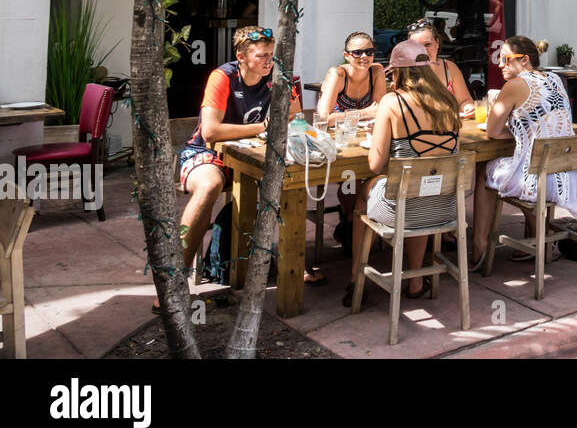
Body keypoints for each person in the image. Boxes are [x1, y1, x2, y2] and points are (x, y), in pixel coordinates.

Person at [166, 26, 309, 311]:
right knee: (209, 188)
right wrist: (264, 127)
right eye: (261, 55)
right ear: (241, 57)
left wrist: (286, 117)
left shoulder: (278, 73)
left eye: (271, 54)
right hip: (207, 154)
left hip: (252, 156)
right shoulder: (223, 76)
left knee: (291, 182)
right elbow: (210, 131)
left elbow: (295, 115)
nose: (268, 61)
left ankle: (288, 264)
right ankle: (174, 279)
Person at [344, 39, 462, 305]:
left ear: (398, 72)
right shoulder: (449, 103)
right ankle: (416, 280)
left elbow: (375, 164)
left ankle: (355, 278)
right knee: (419, 190)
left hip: (402, 212)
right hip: (445, 209)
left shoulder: (392, 101)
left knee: (367, 189)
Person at [470, 36, 577, 269]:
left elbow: (492, 131)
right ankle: (538, 244)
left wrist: (518, 135)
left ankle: (479, 247)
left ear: (525, 60)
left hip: (538, 178)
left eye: (506, 59)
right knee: (531, 164)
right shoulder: (555, 78)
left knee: (485, 170)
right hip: (567, 176)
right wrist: (525, 135)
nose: (500, 64)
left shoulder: (514, 85)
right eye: (499, 59)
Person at [317, 31, 389, 251]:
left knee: (380, 172)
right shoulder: (338, 74)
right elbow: (323, 118)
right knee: (350, 179)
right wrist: (366, 112)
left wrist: (362, 114)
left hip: (365, 139)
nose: (364, 57)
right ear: (346, 55)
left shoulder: (376, 71)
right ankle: (350, 220)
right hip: (338, 143)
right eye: (357, 52)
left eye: (369, 52)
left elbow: (381, 110)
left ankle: (358, 223)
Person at [407, 20, 475, 118]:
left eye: (427, 44)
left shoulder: (450, 68)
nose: (423, 51)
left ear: (437, 43)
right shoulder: (404, 71)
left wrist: (468, 107)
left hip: (449, 128)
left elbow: (465, 101)